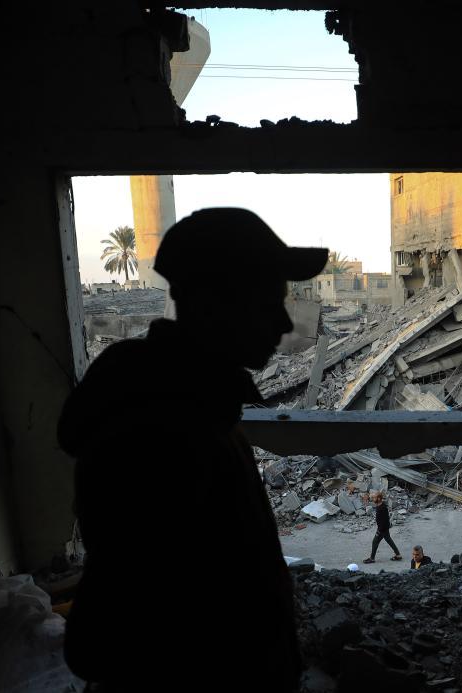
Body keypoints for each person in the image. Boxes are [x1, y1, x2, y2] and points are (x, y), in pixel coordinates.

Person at [57, 208, 327, 692]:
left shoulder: (198, 404)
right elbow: (109, 635)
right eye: (268, 303)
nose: (286, 322)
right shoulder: (159, 435)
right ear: (214, 305)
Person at [364, 491, 402, 563]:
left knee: (375, 542)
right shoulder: (380, 506)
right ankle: (398, 555)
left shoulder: (382, 508)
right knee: (389, 540)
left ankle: (372, 558)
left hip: (382, 529)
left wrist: (379, 530)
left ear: (379, 498)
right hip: (384, 528)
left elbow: (384, 520)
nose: (373, 499)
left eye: (374, 498)